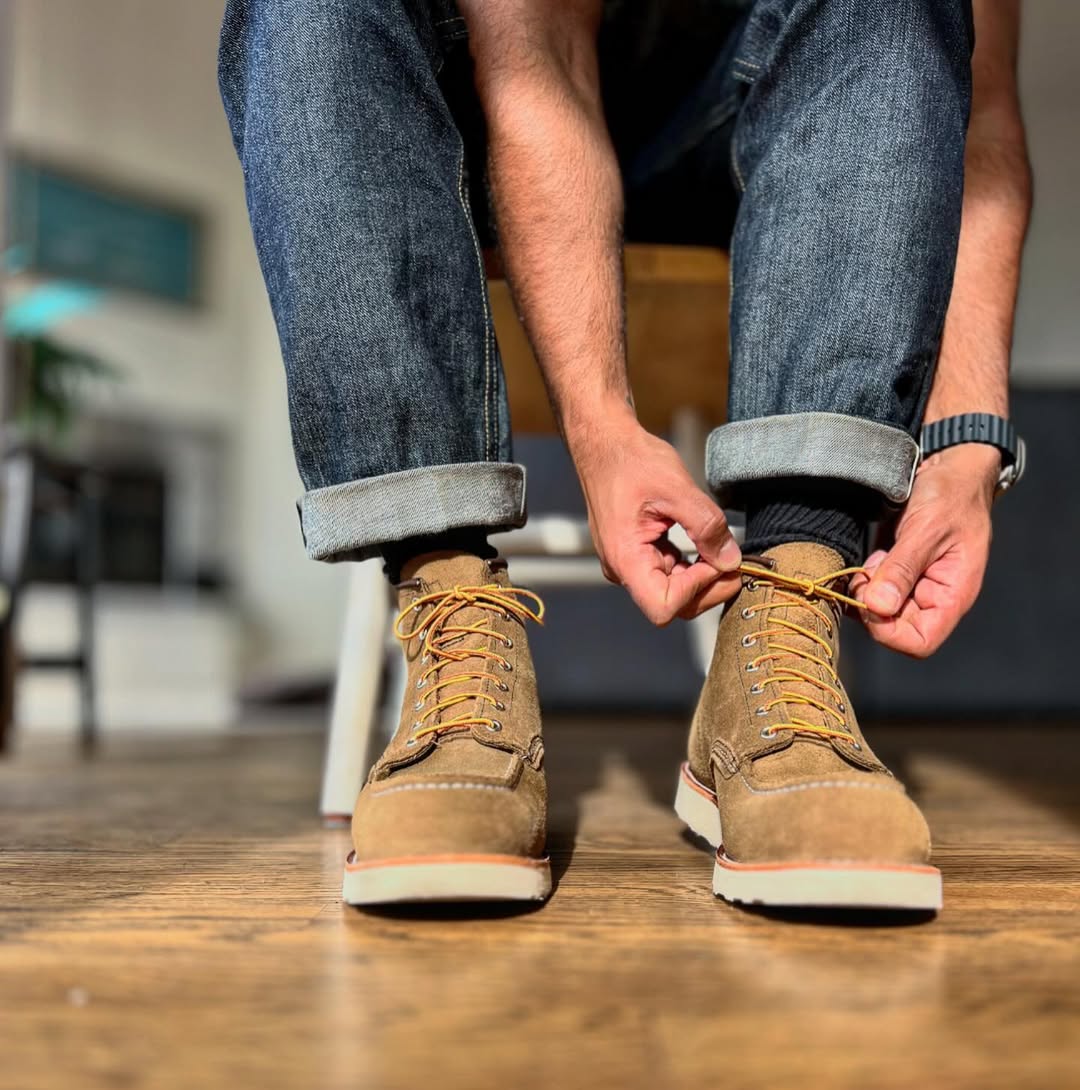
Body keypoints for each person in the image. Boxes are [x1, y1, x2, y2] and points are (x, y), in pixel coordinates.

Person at [217, 0, 1030, 909]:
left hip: (765, 146)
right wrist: (601, 427)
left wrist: (966, 441)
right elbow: (543, 63)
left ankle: (789, 606)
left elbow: (979, 120)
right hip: (480, 127)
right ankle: (446, 595)